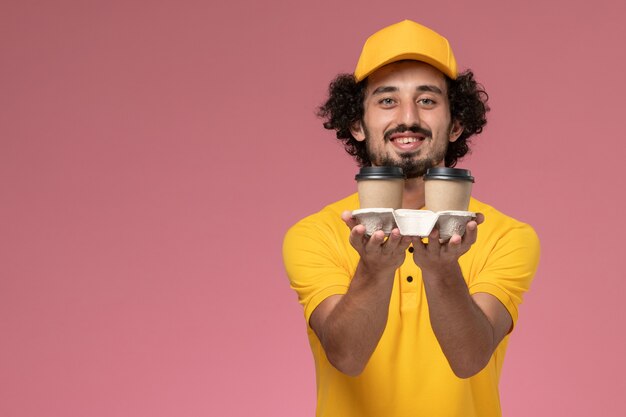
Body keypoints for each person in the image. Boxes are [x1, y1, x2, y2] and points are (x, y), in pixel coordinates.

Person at [282, 20, 540, 417]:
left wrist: (441, 271)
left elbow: (470, 359)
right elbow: (347, 357)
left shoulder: (507, 236)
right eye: (387, 100)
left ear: (455, 124)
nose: (408, 117)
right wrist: (373, 270)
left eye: (427, 100)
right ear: (357, 124)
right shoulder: (315, 234)